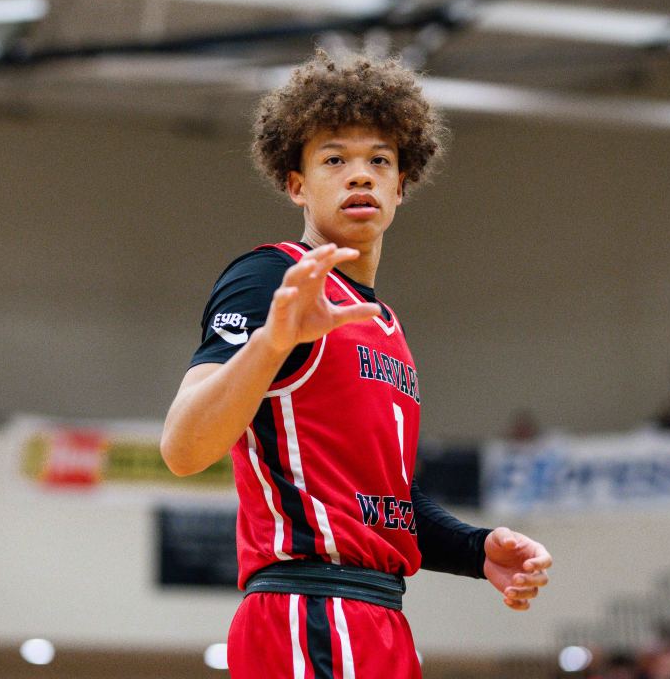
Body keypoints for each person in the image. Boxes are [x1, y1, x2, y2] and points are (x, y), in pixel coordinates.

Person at [161, 50, 552, 677]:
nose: (360, 176)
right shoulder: (271, 277)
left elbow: (384, 500)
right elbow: (183, 448)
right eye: (334, 159)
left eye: (379, 161)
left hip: (380, 615)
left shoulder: (383, 324)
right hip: (307, 608)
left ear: (402, 185)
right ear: (296, 184)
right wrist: (271, 343)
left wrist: (476, 550)